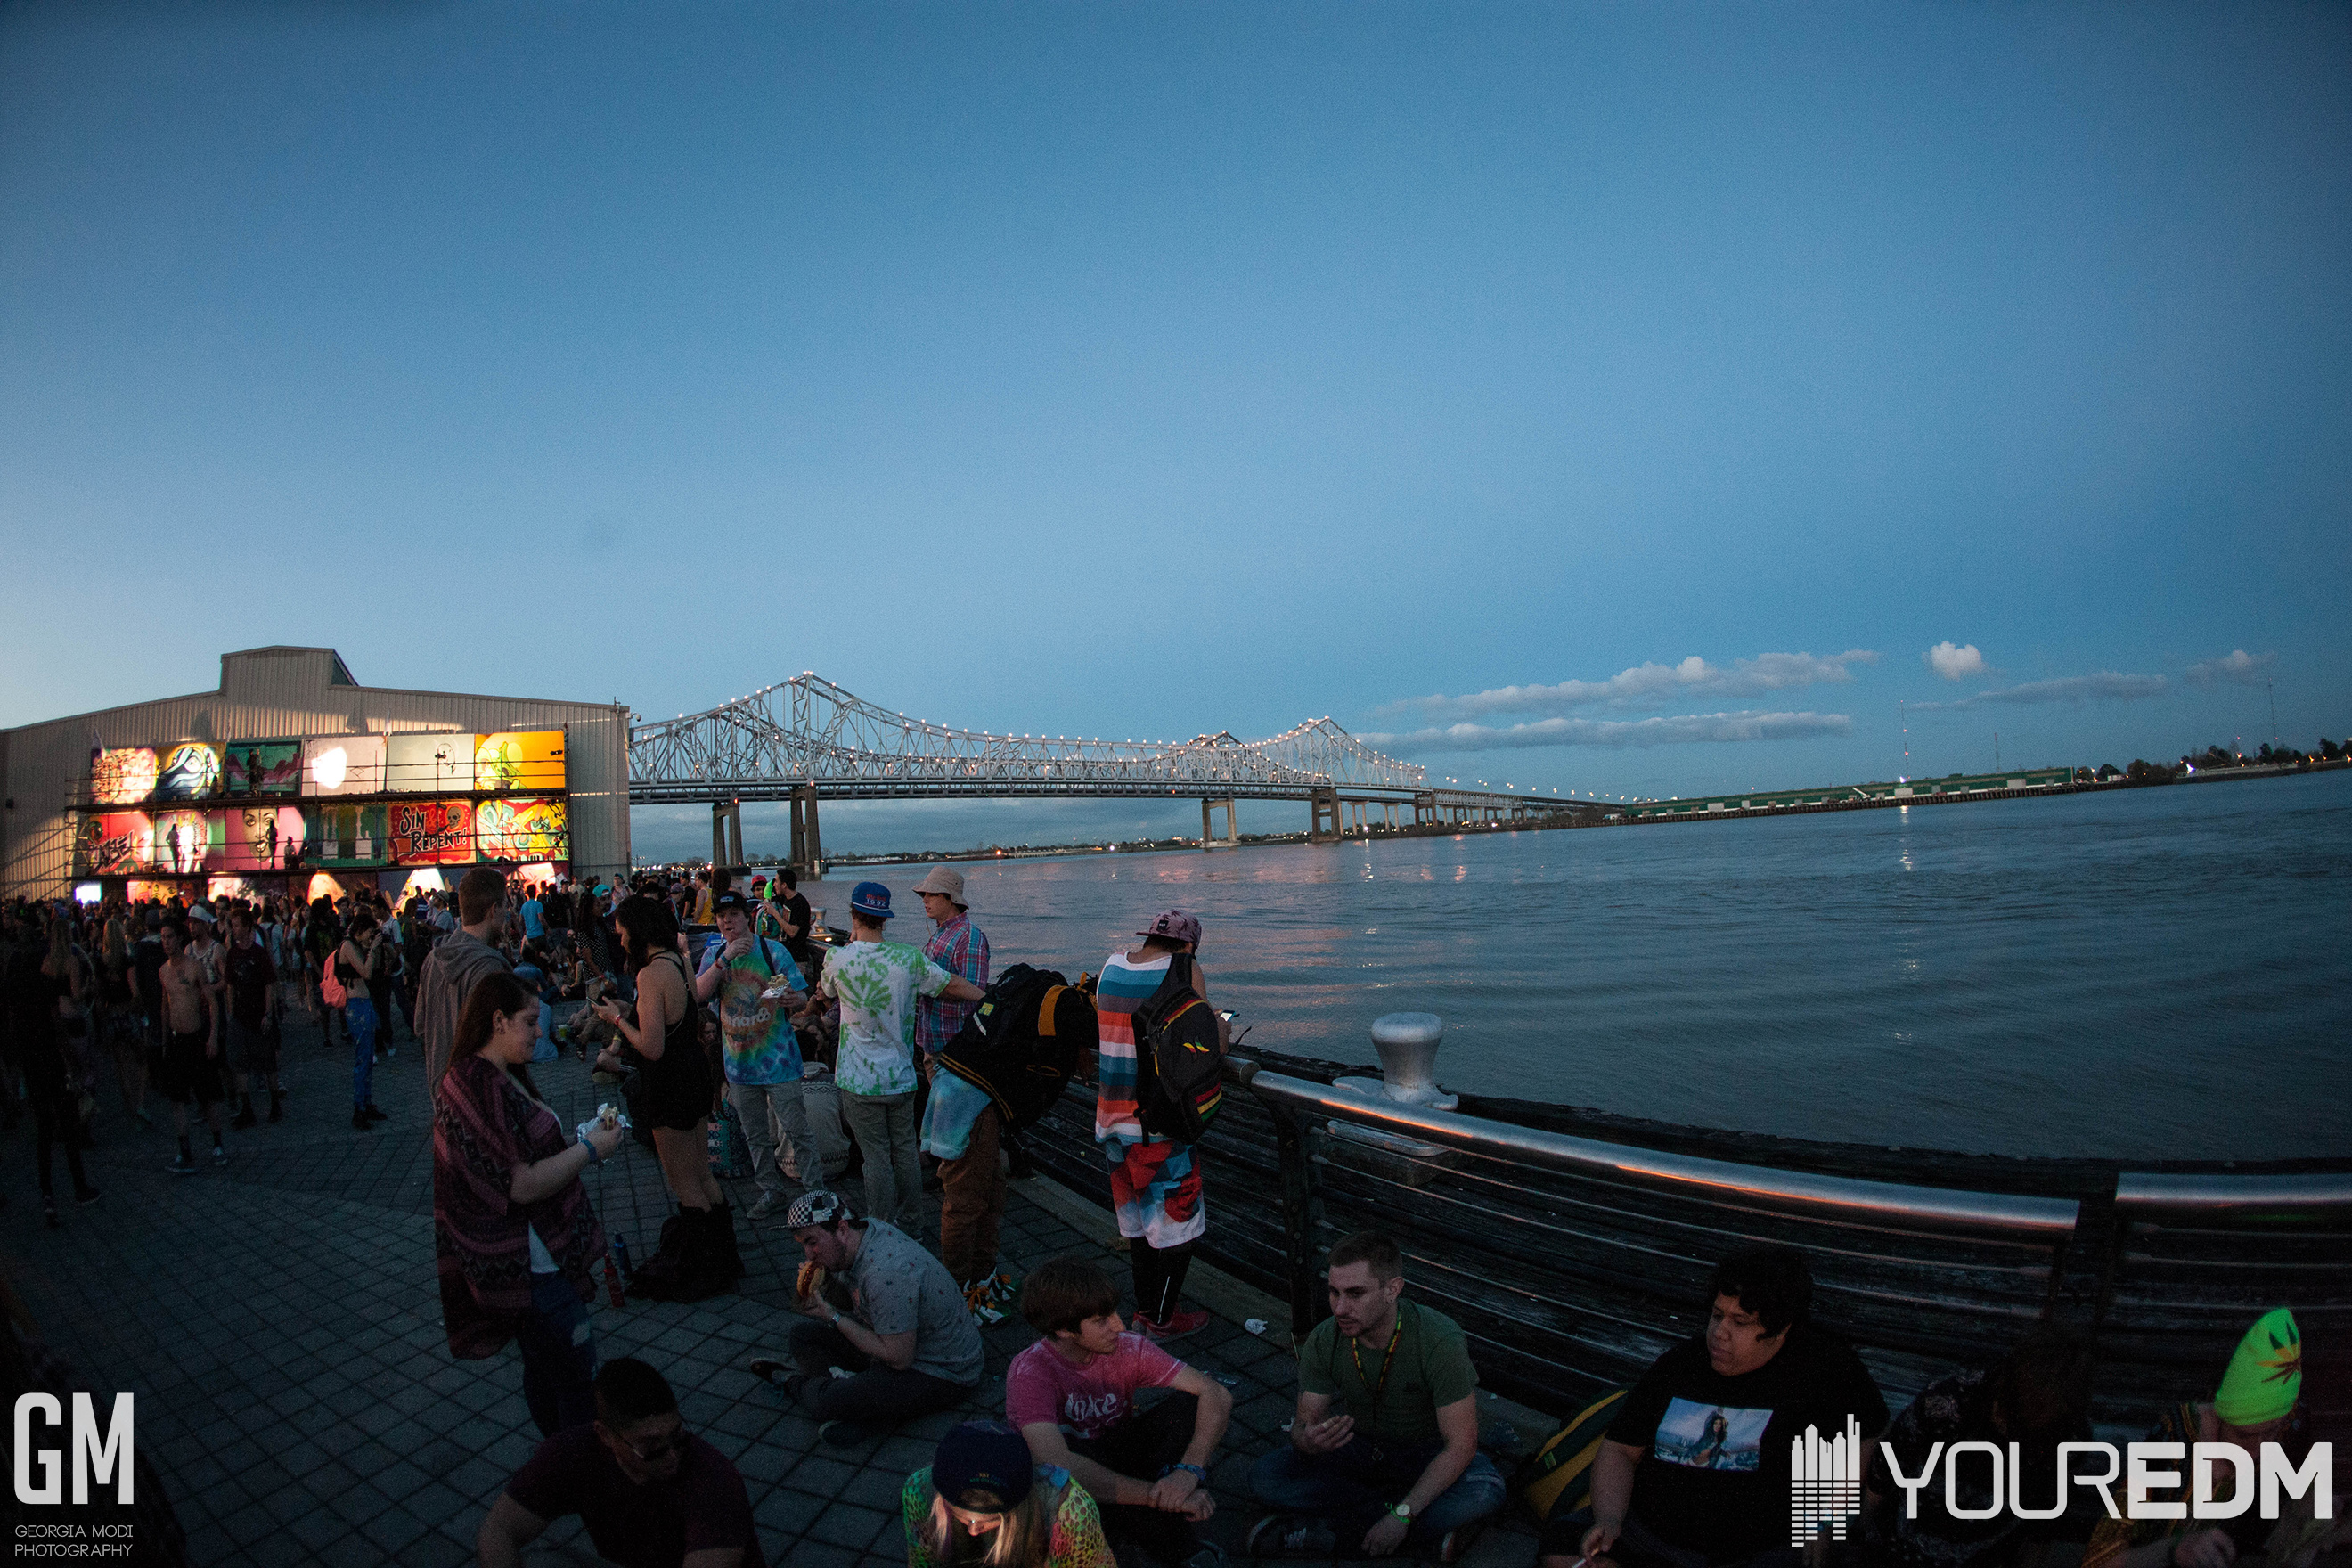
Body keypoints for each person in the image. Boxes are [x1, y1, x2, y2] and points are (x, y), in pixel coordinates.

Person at [1565, 1245, 1887, 1568]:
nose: (1719, 1333)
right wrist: (1609, 1519)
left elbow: (1867, 1439)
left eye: (1740, 1322)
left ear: (1780, 1330)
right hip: (1649, 1535)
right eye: (1717, 1315)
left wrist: (1825, 1514)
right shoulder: (1680, 1365)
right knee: (1565, 1549)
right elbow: (1620, 1449)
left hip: (1759, 1551)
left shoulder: (1824, 1369)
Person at [434, 969, 624, 1439]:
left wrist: (580, 1142)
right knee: (577, 1383)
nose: (541, 1032)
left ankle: (559, 1458)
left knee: (545, 1372)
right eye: (530, 1021)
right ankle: (577, 1464)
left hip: (536, 1262)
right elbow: (519, 1184)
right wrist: (590, 1149)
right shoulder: (474, 1084)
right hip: (530, 1266)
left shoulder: (499, 1073)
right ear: (497, 1020)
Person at [1248, 1230, 1505, 1562]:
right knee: (1266, 1477)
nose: (1340, 1308)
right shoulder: (1325, 1339)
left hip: (1425, 1452)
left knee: (1485, 1489)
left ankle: (1334, 1532)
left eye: (1356, 1294)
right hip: (1360, 1446)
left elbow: (1461, 1445)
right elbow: (1303, 1426)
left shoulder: (1438, 1339)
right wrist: (1308, 1441)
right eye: (1334, 1292)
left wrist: (1402, 1515)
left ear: (1392, 1290)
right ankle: (1409, 1526)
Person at [1009, 1255, 1231, 1568]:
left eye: (1114, 1313)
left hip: (1115, 1450)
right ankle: (1157, 1527)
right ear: (1063, 1330)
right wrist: (1156, 1495)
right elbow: (1058, 1465)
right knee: (1068, 1483)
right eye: (1102, 1320)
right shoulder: (1030, 1373)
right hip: (1066, 1479)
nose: (1119, 1326)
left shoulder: (1127, 1348)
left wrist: (1188, 1472)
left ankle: (1150, 1510)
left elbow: (1216, 1393)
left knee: (1191, 1406)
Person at [2082, 1309, 2348, 1568]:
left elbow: (2292, 1526)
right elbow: (2097, 1561)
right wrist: (2174, 1551)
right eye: (2244, 1435)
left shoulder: (2290, 1431)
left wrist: (2307, 1518)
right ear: (2220, 1418)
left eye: (2272, 1432)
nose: (2259, 1450)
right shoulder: (2172, 1440)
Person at [745, 1188, 984, 1447]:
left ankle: (793, 1381)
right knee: (802, 1336)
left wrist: (832, 1316)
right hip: (892, 1340)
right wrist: (822, 1290)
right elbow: (854, 1302)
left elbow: (899, 1358)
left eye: (812, 1242)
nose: (809, 1255)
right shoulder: (862, 1233)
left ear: (842, 1229)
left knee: (827, 1402)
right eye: (803, 1244)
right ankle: (865, 1407)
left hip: (940, 1370)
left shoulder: (885, 1274)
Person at [476, 1357, 764, 1568]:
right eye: (651, 1446)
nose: (672, 1455)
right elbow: (499, 1530)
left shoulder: (713, 1478)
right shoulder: (572, 1454)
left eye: (677, 1436)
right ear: (605, 1435)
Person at [813, 882, 987, 1233]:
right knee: (906, 1152)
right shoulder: (909, 959)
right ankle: (913, 1225)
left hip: (858, 1081)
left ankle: (882, 1228)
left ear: (853, 915)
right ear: (885, 918)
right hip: (900, 1077)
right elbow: (951, 984)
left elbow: (826, 992)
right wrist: (986, 997)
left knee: (875, 1158)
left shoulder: (836, 959)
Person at [592, 893, 739, 1301]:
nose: (621, 941)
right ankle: (724, 1258)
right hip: (695, 1074)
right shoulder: (676, 961)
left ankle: (703, 1268)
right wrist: (632, 1011)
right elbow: (681, 1010)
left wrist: (616, 1018)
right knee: (702, 1173)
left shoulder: (649, 974)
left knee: (682, 1180)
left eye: (623, 933)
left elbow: (652, 1048)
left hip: (669, 1082)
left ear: (638, 932)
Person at [1857, 1326, 2095, 1568]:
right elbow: (1887, 1465)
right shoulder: (1947, 1403)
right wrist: (1862, 1532)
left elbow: (2045, 1520)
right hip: (1903, 1543)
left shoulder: (2068, 1439)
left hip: (1985, 1554)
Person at [1094, 911, 1228, 1338]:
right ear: (1188, 946)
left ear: (1149, 936)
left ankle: (1144, 1312)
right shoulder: (1183, 969)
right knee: (1177, 1226)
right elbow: (1207, 1044)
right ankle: (1162, 1321)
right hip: (1157, 1126)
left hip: (1111, 1121)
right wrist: (1221, 1024)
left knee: (1138, 1227)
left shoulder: (1110, 967)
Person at [911, 867, 1013, 1315]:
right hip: (941, 1060)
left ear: (951, 898)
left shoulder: (967, 938)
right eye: (924, 894)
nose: (925, 900)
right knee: (977, 1178)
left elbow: (974, 997)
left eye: (932, 895)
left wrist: (927, 981)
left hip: (961, 1067)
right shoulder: (939, 936)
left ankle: (962, 1288)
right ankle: (975, 1279)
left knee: (969, 1184)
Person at [693, 889, 819, 1222]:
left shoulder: (771, 951)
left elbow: (798, 994)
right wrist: (724, 960)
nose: (727, 922)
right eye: (721, 917)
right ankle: (770, 1191)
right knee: (755, 1136)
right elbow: (700, 994)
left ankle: (815, 1192)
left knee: (797, 1131)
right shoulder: (715, 956)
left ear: (747, 917)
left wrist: (793, 999)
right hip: (740, 1066)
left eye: (733, 915)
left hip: (779, 1063)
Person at [906, 1419, 1117, 1568]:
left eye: (990, 1520)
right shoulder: (919, 1491)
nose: (973, 1530)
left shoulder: (1071, 1515)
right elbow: (923, 1562)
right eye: (962, 1516)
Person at [8, 918, 100, 1224]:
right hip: (51, 1058)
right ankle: (79, 1187)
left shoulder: (15, 985)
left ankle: (47, 1194)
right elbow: (56, 1022)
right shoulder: (43, 980)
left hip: (31, 1061)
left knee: (44, 1130)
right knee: (67, 1123)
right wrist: (70, 1059)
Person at [157, 920, 230, 1172]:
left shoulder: (194, 967)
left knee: (208, 1095)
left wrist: (212, 1037)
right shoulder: (163, 971)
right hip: (177, 1040)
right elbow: (165, 1007)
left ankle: (217, 1143)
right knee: (177, 1098)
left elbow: (212, 1003)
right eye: (163, 937)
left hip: (197, 1038)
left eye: (170, 937)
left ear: (179, 939)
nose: (166, 942)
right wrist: (164, 1041)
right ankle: (184, 1150)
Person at [222, 906, 284, 1126]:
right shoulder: (233, 954)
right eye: (232, 925)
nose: (234, 930)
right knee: (239, 1063)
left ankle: (275, 1104)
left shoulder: (259, 953)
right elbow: (230, 985)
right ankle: (246, 1108)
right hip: (240, 1016)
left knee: (268, 1061)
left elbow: (269, 984)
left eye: (237, 925)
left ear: (248, 927)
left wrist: (268, 1013)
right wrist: (231, 1012)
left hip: (259, 1015)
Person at [338, 911, 388, 1129]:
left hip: (364, 1004)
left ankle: (366, 1103)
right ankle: (358, 1109)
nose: (371, 936)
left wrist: (375, 948)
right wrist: (373, 949)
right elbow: (366, 972)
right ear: (360, 930)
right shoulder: (348, 946)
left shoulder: (357, 946)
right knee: (362, 1059)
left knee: (368, 1059)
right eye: (370, 932)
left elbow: (374, 969)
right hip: (356, 1007)